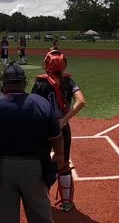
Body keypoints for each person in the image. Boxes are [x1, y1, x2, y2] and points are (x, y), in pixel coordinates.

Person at [0, 63, 64, 223]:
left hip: (0, 168)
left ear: (3, 83)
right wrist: (60, 154)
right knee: (41, 218)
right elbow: (56, 136)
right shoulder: (41, 103)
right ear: (24, 82)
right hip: (36, 167)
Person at [31, 50, 86, 212]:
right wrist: (64, 119)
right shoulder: (69, 81)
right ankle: (67, 202)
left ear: (48, 65)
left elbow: (33, 105)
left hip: (43, 129)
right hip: (62, 127)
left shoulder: (40, 83)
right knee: (63, 163)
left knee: (41, 161)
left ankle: (41, 198)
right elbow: (81, 102)